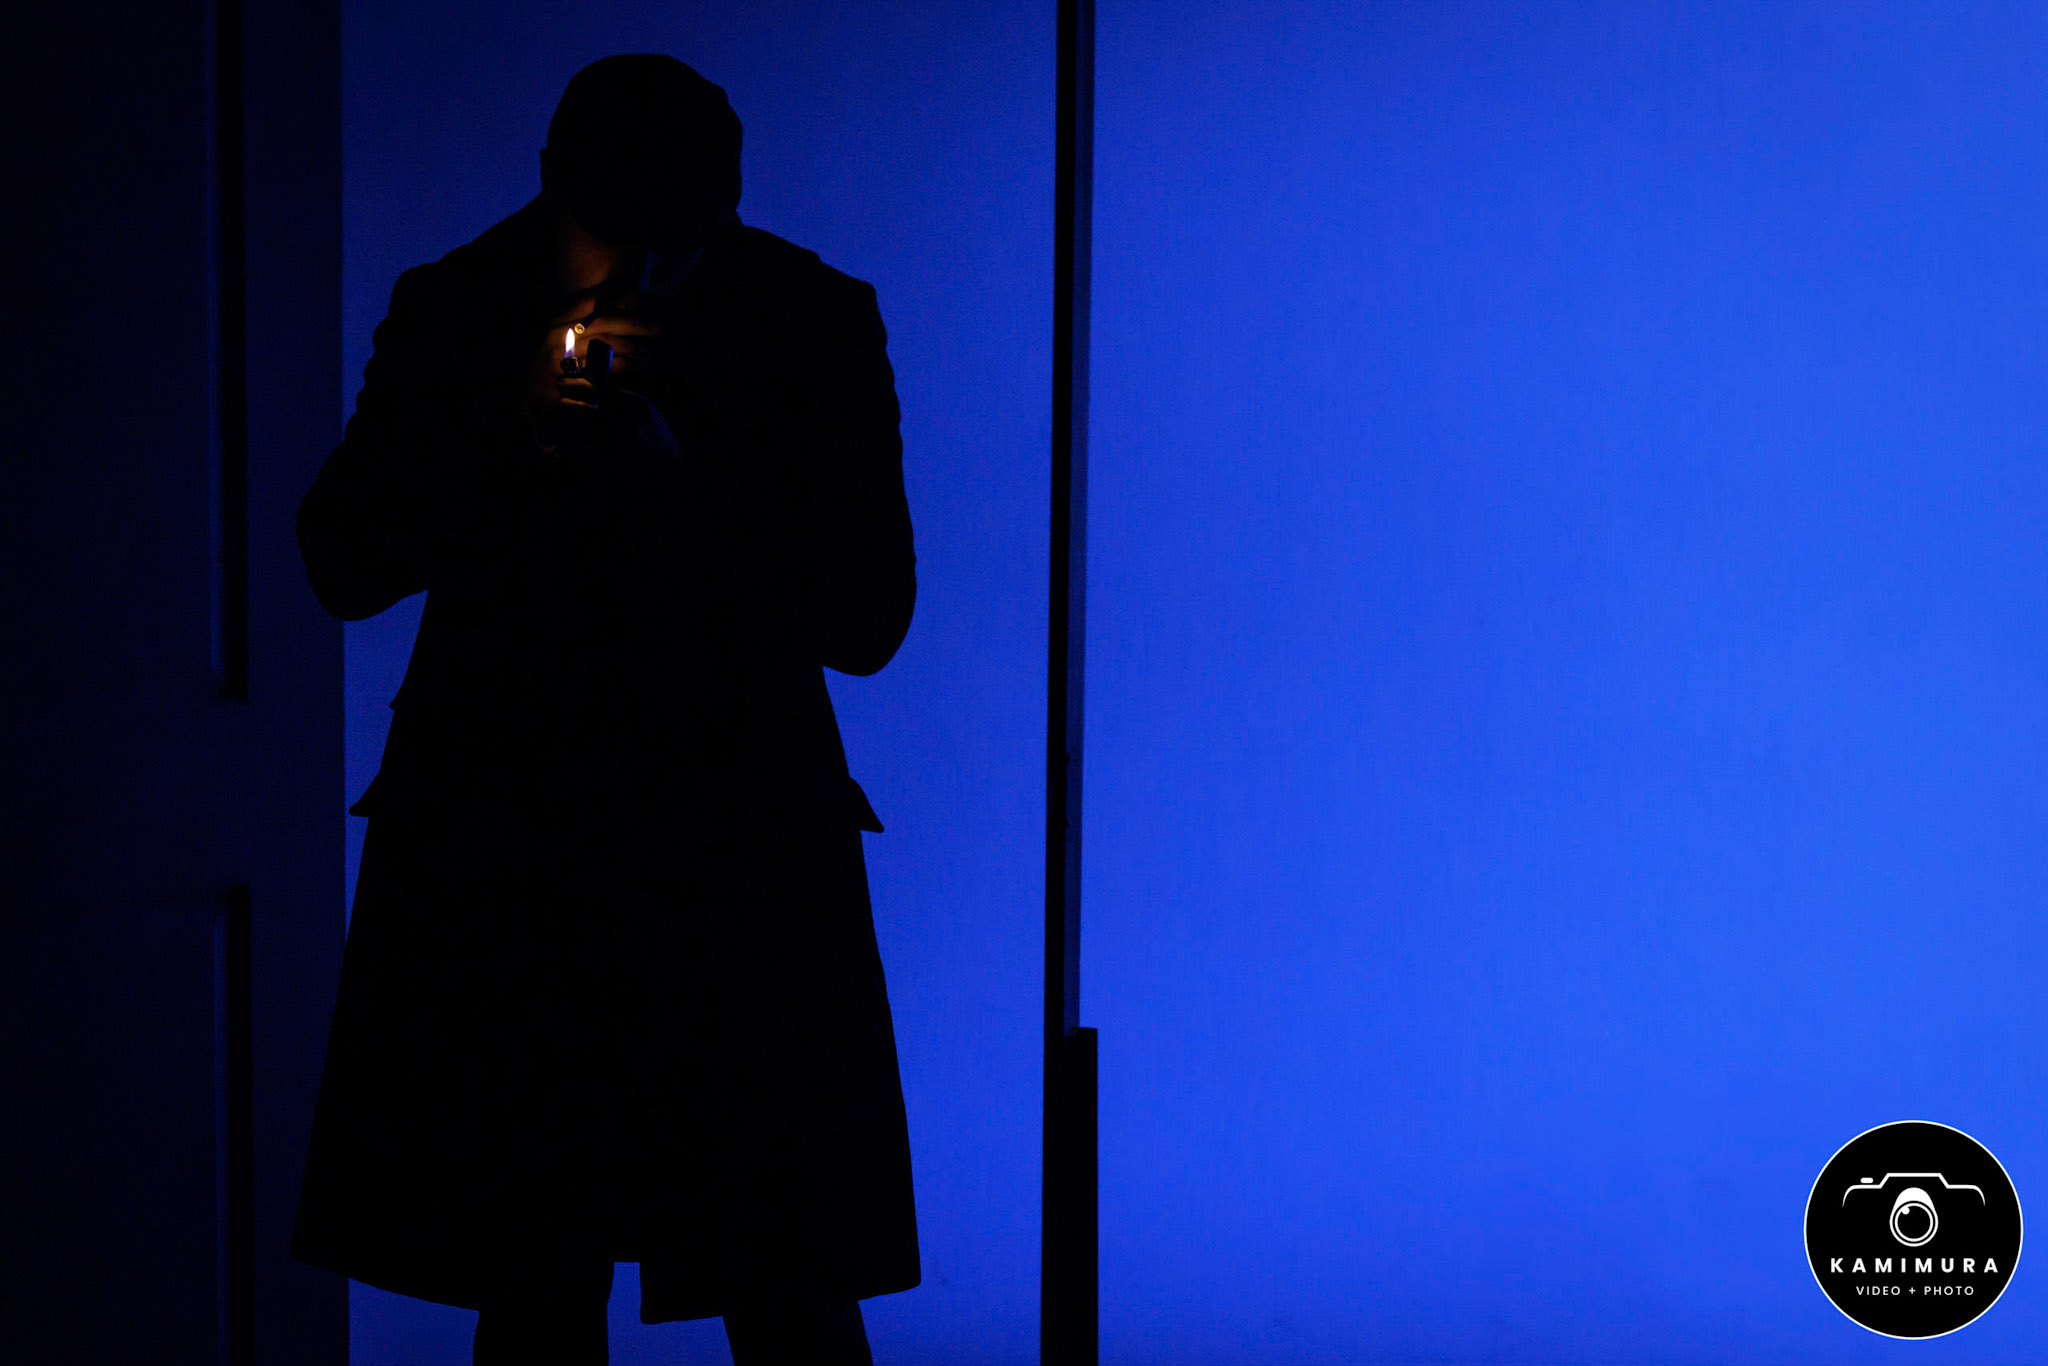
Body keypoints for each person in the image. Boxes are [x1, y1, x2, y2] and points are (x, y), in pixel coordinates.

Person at [290, 54, 920, 1365]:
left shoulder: (804, 319)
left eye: (679, 238)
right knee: (535, 1276)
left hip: (732, 858)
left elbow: (871, 617)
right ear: (552, 191)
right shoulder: (460, 309)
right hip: (512, 864)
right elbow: (342, 560)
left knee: (783, 1279)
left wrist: (694, 476)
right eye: (613, 233)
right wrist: (504, 429)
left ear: (729, 207)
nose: (641, 272)